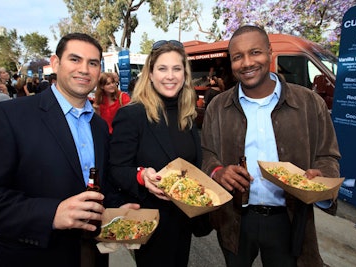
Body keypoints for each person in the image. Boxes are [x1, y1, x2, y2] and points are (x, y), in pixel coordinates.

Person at [0, 33, 138, 267]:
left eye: (93, 63)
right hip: (34, 257)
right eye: (75, 59)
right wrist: (51, 214)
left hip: (92, 255)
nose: (84, 69)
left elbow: (96, 182)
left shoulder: (98, 127)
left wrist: (115, 208)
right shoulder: (7, 116)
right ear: (55, 63)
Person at [201, 25, 341, 267]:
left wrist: (322, 179)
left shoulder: (310, 103)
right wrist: (218, 172)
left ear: (269, 51)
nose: (247, 63)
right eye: (237, 57)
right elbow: (208, 155)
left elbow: (327, 156)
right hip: (235, 220)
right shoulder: (217, 107)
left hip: (288, 219)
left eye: (255, 52)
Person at [108, 40, 202, 267]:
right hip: (152, 223)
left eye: (176, 69)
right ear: (150, 74)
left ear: (185, 74)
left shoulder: (187, 114)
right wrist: (141, 176)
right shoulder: (133, 115)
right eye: (162, 68)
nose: (170, 76)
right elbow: (116, 168)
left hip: (183, 221)